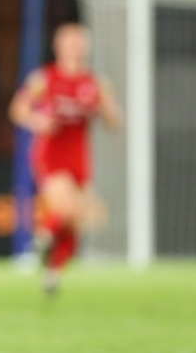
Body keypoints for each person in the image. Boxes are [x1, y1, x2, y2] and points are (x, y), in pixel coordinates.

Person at [9, 23, 122, 294]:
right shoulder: (44, 79)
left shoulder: (95, 83)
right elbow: (18, 109)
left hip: (79, 160)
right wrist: (39, 121)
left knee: (76, 223)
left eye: (80, 42)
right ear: (58, 46)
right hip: (50, 156)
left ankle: (52, 271)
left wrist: (107, 111)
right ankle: (40, 239)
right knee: (72, 208)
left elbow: (115, 122)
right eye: (70, 41)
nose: (75, 47)